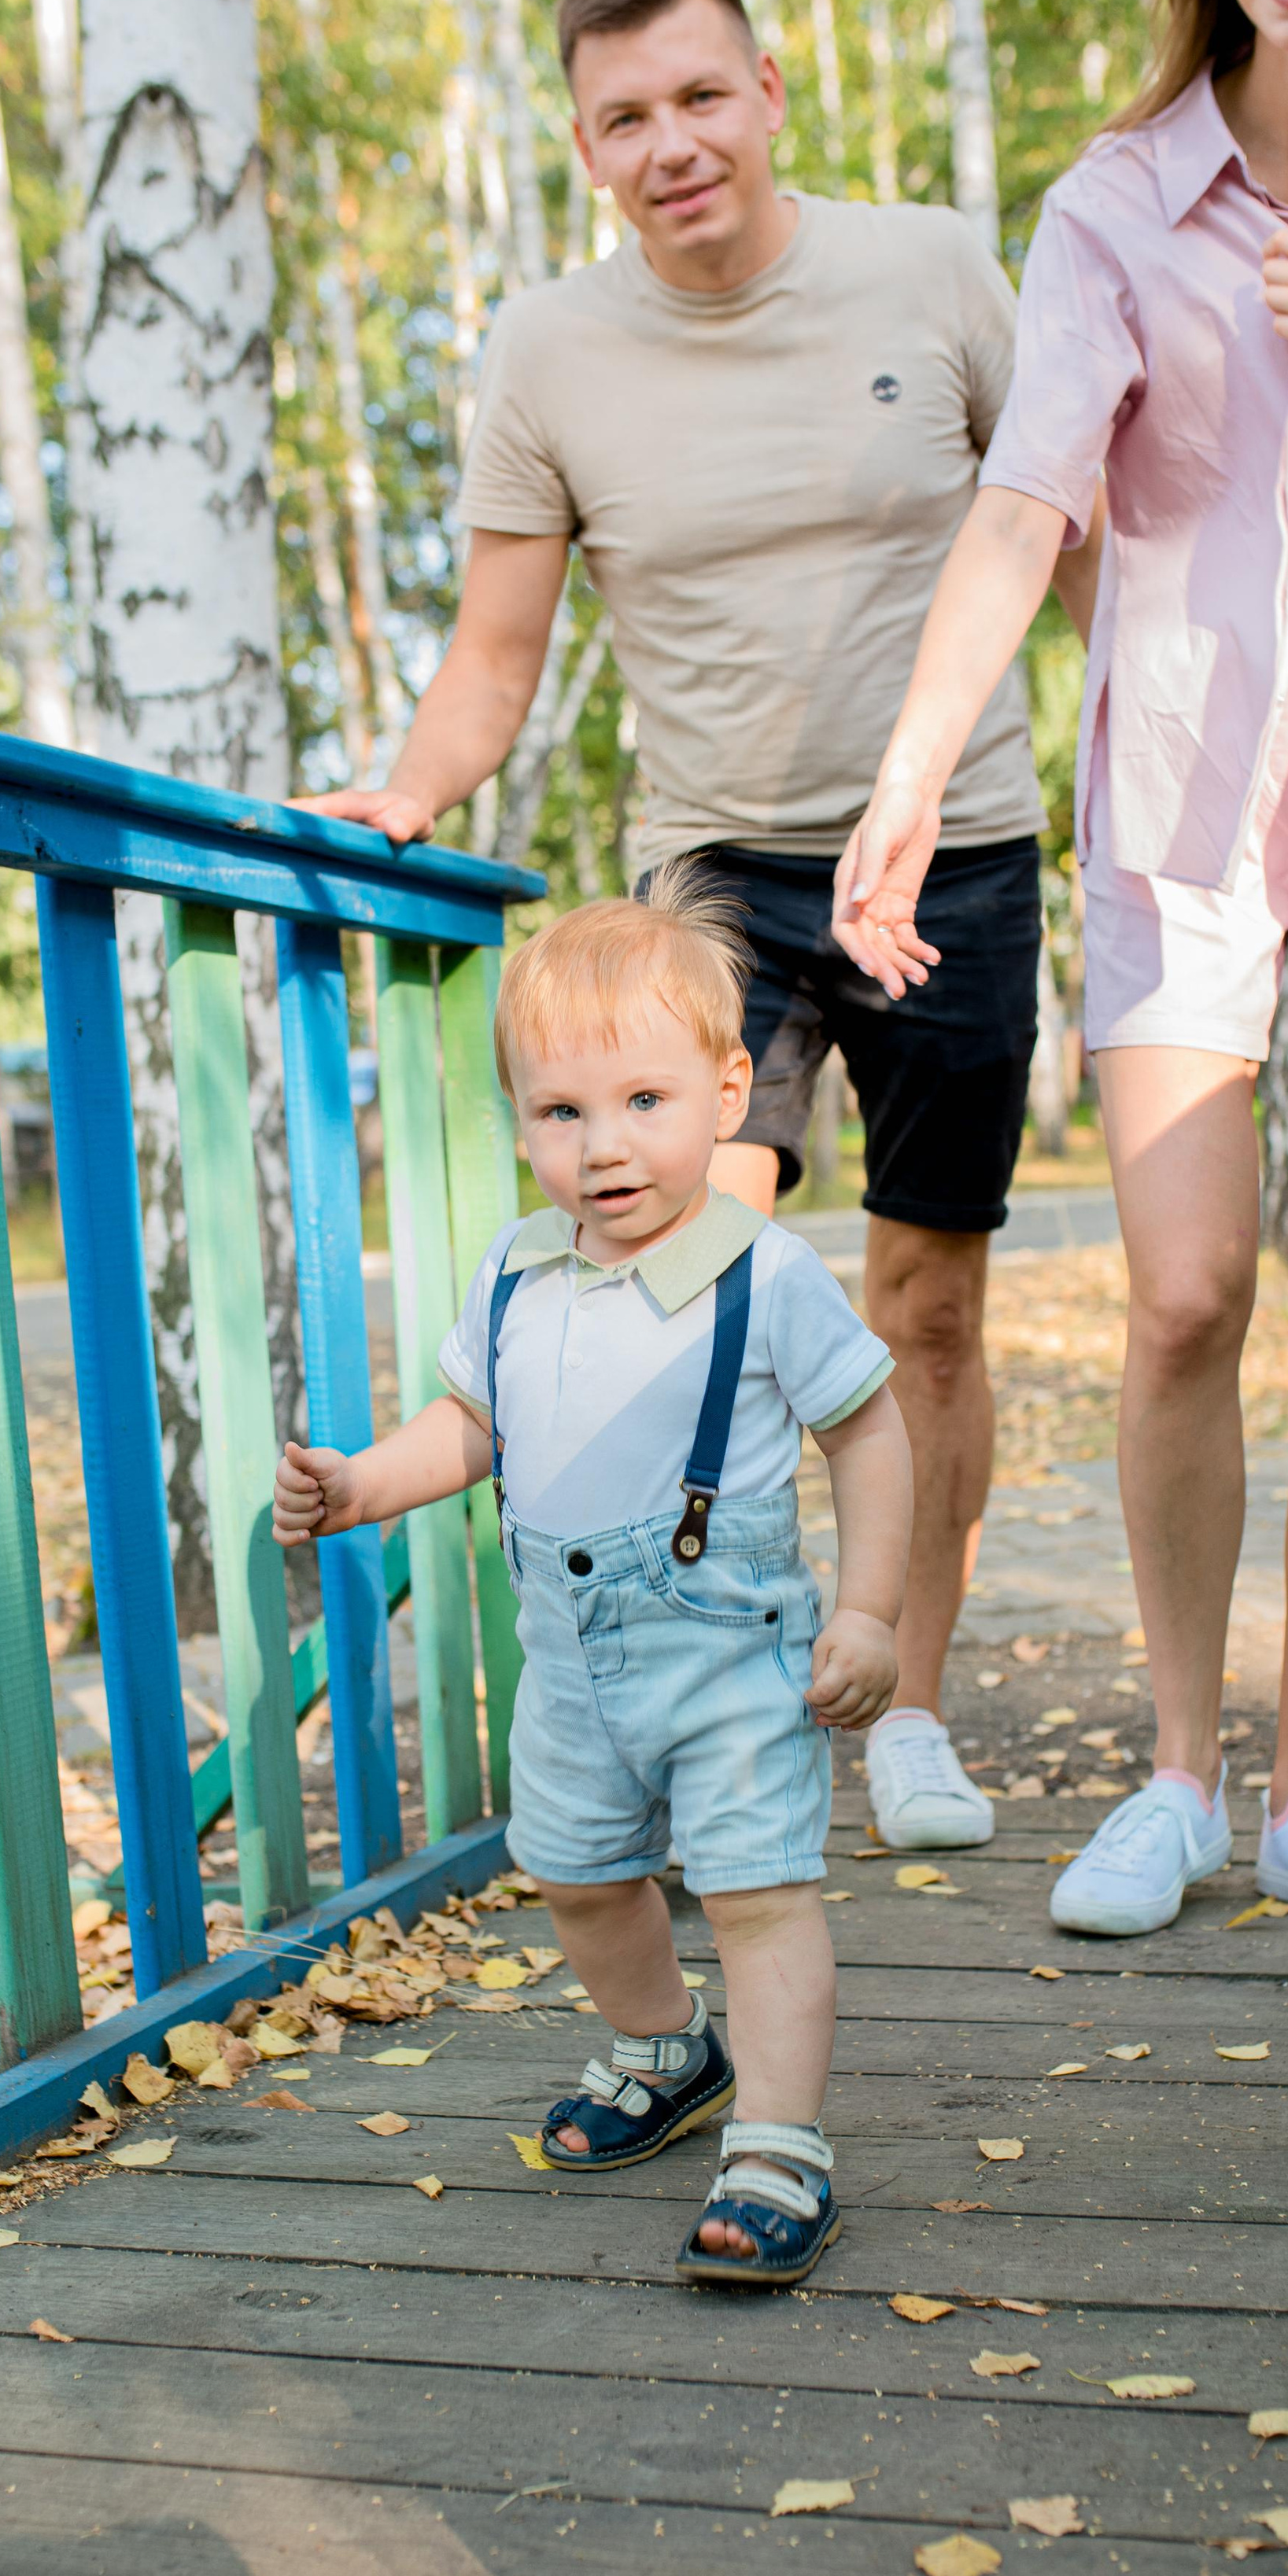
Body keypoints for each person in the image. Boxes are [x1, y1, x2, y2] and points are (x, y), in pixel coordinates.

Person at [298, 0, 1101, 1855]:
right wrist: (405, 794)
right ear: (585, 147)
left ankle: (903, 1697)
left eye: (699, 97)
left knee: (923, 1311)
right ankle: (698, 1673)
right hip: (721, 872)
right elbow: (497, 653)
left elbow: (1061, 550)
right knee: (682, 1260)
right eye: (624, 119)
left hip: (957, 849)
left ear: (767, 94)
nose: (673, 144)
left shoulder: (930, 270)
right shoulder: (547, 353)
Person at [832, 0, 1288, 1940]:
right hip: (1188, 778)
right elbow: (1026, 507)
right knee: (1190, 1286)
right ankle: (1182, 1777)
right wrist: (916, 767)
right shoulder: (1117, 202)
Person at [271, 875, 913, 2287]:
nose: (603, 1146)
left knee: (756, 1887)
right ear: (523, 1124)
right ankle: (664, 2046)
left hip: (728, 1646)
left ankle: (781, 2140)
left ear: (729, 1090)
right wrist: (366, 1484)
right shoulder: (516, 1273)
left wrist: (870, 1611)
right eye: (562, 1113)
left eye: (642, 1101)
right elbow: (473, 1427)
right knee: (572, 1867)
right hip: (566, 1652)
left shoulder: (765, 1270)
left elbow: (869, 1430)